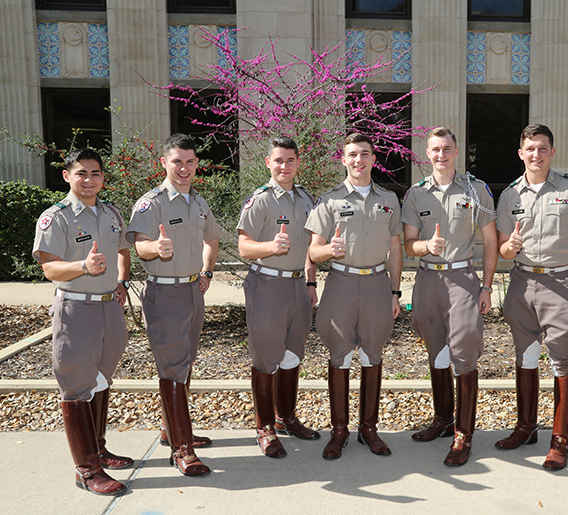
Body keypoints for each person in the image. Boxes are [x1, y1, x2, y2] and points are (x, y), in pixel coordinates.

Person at [495, 123, 568, 471]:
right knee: (525, 358)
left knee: (561, 361)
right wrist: (509, 247)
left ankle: (560, 440)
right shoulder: (510, 196)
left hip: (560, 285)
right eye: (530, 149)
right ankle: (526, 428)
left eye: (542, 148)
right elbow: (504, 250)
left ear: (552, 152)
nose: (536, 154)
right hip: (522, 285)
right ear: (521, 154)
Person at [33, 148, 133, 495]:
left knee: (101, 380)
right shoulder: (55, 217)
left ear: (103, 177)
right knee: (77, 387)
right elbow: (49, 267)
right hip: (76, 309)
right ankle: (87, 470)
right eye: (81, 174)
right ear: (67, 176)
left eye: (95, 173)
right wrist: (83, 268)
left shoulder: (110, 213)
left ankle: (99, 449)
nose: (89, 180)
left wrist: (121, 280)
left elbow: (123, 250)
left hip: (109, 308)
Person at [401, 126, 498, 467]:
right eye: (435, 150)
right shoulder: (416, 194)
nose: (440, 155)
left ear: (456, 152)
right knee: (435, 347)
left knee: (464, 350)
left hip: (461, 279)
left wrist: (486, 286)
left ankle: (463, 433)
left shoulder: (475, 190)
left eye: (446, 149)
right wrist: (425, 246)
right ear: (427, 155)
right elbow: (408, 243)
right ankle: (442, 420)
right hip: (427, 279)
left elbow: (490, 241)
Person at [126, 133, 220, 477]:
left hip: (193, 290)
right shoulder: (152, 203)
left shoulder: (197, 202)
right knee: (173, 366)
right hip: (164, 293)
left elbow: (212, 238)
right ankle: (183, 449)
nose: (183, 168)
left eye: (190, 161)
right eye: (176, 161)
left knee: (185, 362)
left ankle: (171, 429)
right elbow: (141, 246)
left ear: (197, 165)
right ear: (163, 163)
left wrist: (207, 271)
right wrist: (158, 249)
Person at [305, 132, 403, 460]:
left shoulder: (389, 199)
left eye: (364, 154)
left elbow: (395, 248)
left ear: (374, 159)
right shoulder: (329, 201)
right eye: (352, 155)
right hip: (341, 283)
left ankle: (369, 429)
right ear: (343, 160)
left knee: (373, 354)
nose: (358, 160)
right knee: (340, 354)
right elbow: (313, 251)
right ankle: (339, 431)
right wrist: (326, 251)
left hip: (377, 284)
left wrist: (395, 291)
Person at [237, 136, 320, 458]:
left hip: (298, 285)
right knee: (266, 356)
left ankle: (286, 417)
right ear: (268, 163)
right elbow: (244, 247)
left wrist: (311, 283)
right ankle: (264, 426)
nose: (284, 166)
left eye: (290, 160)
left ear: (298, 163)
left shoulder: (305, 199)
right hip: (267, 285)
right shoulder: (259, 200)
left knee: (292, 355)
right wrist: (270, 247)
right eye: (278, 160)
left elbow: (310, 247)